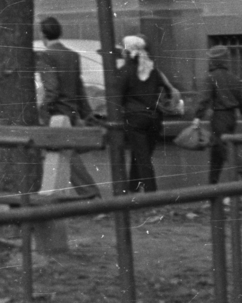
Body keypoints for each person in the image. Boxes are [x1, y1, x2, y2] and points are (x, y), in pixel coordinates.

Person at [39, 17, 100, 198]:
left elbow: (51, 89)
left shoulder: (46, 56)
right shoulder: (72, 55)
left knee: (66, 155)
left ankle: (90, 193)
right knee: (63, 154)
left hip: (56, 113)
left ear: (42, 34)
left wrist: (42, 109)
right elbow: (79, 85)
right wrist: (86, 112)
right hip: (72, 110)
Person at [112, 34, 179, 193]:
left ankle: (151, 193)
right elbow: (168, 90)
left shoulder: (124, 71)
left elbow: (117, 98)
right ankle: (133, 187)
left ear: (128, 52)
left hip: (135, 119)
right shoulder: (152, 70)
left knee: (142, 158)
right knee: (141, 155)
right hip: (155, 119)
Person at [190, 45, 242, 185]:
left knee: (226, 149)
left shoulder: (211, 78)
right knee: (217, 151)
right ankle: (212, 184)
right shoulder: (233, 78)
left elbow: (204, 99)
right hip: (232, 117)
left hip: (219, 118)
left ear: (213, 61)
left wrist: (197, 117)